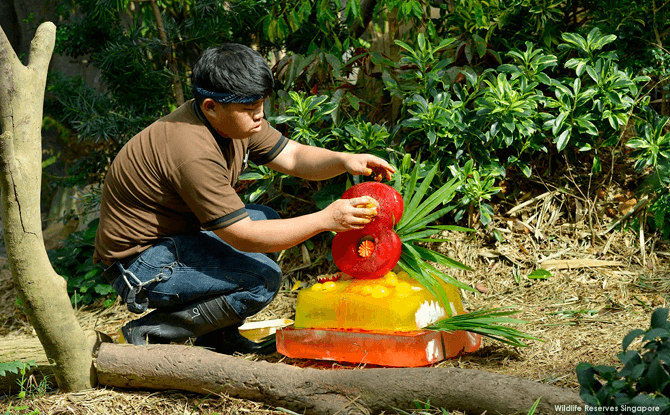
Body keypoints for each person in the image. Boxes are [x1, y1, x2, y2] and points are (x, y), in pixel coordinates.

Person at [93, 43, 395, 354]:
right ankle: (150, 333)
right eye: (250, 109)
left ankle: (218, 337)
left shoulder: (233, 119)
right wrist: (326, 219)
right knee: (261, 280)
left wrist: (344, 160)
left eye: (261, 104)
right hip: (140, 265)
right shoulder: (192, 151)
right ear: (211, 106)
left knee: (267, 219)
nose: (259, 115)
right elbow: (244, 235)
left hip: (175, 239)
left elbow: (291, 156)